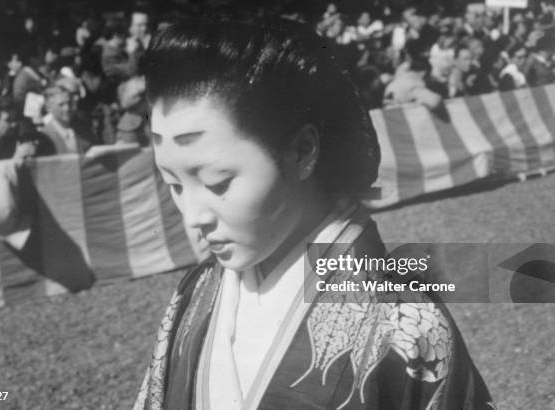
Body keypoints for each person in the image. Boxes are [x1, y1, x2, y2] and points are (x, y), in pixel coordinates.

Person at [134, 18, 494, 410]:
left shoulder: (406, 322)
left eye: (218, 182)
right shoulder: (194, 293)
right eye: (173, 184)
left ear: (302, 151)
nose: (192, 217)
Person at [38, 86, 92, 155]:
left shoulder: (81, 130)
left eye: (69, 103)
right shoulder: (44, 136)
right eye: (61, 105)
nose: (67, 108)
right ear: (48, 108)